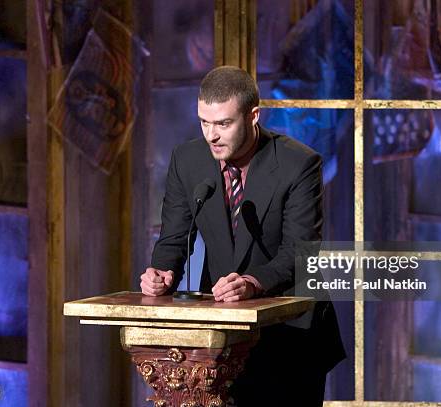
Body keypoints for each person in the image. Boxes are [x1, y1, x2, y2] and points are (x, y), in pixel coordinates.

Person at [140, 65, 345, 406]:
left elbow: (300, 252)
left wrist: (251, 281)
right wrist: (162, 272)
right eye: (204, 122)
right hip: (222, 333)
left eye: (223, 124)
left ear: (253, 116)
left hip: (291, 331)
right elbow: (174, 238)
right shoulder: (187, 160)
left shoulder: (299, 164)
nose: (211, 135)